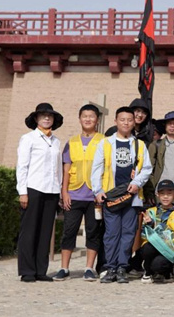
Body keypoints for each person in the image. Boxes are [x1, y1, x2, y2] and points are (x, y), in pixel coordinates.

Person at [91, 106, 153, 283]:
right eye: (122, 119)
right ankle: (110, 267)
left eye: (129, 120)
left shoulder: (139, 145)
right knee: (111, 233)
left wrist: (137, 183)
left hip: (132, 197)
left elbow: (147, 168)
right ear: (116, 121)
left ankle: (122, 267)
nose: (126, 123)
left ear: (134, 123)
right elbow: (96, 168)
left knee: (128, 233)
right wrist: (98, 190)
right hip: (111, 196)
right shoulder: (105, 143)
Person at [55, 104, 104, 282]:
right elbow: (66, 170)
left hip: (94, 196)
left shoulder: (103, 141)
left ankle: (89, 268)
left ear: (97, 120)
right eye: (85, 116)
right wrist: (64, 192)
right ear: (79, 119)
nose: (88, 119)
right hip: (74, 194)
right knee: (69, 231)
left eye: (91, 116)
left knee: (93, 231)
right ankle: (64, 268)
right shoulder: (72, 142)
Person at [16, 103, 64, 282]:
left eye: (50, 116)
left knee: (45, 232)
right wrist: (22, 191)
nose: (47, 118)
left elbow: (58, 169)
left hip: (52, 190)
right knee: (29, 231)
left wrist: (59, 191)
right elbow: (22, 166)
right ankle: (27, 271)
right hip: (33, 189)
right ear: (36, 118)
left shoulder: (56, 141)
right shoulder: (28, 139)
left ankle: (40, 270)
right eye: (43, 115)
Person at [138, 179, 174, 284]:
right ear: (157, 195)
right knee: (147, 248)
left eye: (169, 193)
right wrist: (149, 224)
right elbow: (143, 236)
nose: (165, 197)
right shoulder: (151, 211)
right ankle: (148, 272)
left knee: (158, 265)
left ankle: (166, 272)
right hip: (153, 247)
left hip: (169, 250)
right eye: (162, 194)